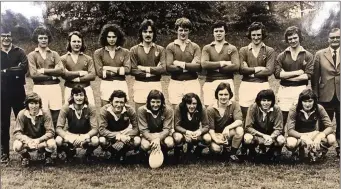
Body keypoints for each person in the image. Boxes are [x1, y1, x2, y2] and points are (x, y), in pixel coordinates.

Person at [274, 26, 314, 126]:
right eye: (290, 39)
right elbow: (278, 74)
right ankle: (281, 140)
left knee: (299, 118)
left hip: (300, 89)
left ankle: (296, 140)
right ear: (287, 40)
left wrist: (286, 75)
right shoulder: (282, 55)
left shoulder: (307, 55)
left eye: (295, 38)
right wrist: (298, 72)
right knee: (282, 118)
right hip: (284, 90)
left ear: (299, 37)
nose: (293, 41)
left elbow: (308, 75)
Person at [27, 26, 64, 129]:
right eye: (41, 38)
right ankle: (44, 139)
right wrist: (53, 76)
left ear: (49, 39)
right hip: (40, 88)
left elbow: (61, 70)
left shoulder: (54, 54)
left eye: (45, 38)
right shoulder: (32, 55)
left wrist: (43, 71)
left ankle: (56, 140)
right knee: (41, 113)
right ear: (37, 39)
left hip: (54, 88)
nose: (43, 40)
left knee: (56, 113)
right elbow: (34, 74)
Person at [1, 27, 28, 164]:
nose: (6, 38)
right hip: (2, 92)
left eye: (8, 35)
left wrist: (5, 70)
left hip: (18, 91)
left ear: (12, 37)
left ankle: (24, 153)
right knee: (4, 124)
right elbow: (18, 70)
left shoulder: (19, 51)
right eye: (3, 35)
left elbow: (24, 68)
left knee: (22, 121)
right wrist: (14, 71)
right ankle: (4, 153)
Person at [311, 28, 340, 158]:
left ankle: (340, 149)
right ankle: (322, 150)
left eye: (337, 37)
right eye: (332, 38)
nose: (335, 40)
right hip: (325, 95)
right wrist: (315, 95)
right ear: (328, 39)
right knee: (324, 125)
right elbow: (315, 78)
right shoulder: (320, 54)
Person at [286, 89, 336, 162]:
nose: (307, 104)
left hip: (313, 133)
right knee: (291, 143)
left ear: (314, 101)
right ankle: (297, 152)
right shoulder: (294, 109)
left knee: (331, 138)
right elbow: (290, 130)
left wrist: (319, 136)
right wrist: (304, 137)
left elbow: (330, 127)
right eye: (305, 101)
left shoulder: (319, 108)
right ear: (301, 101)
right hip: (299, 135)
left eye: (310, 101)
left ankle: (319, 150)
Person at [239, 22, 276, 119]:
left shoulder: (269, 50)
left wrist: (250, 71)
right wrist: (258, 68)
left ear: (263, 35)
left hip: (262, 85)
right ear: (250, 35)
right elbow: (241, 70)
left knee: (263, 112)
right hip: (246, 85)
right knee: (246, 113)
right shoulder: (243, 50)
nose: (256, 37)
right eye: (253, 35)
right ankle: (246, 132)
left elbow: (269, 71)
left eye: (258, 35)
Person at [55, 85, 99, 162]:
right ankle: (69, 152)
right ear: (72, 96)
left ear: (85, 96)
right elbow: (58, 128)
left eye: (81, 95)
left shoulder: (90, 107)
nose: (79, 98)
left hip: (86, 134)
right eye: (76, 95)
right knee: (58, 140)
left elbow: (95, 128)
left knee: (95, 140)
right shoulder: (66, 107)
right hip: (71, 133)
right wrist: (68, 138)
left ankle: (89, 153)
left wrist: (84, 137)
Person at [130, 19, 166, 112]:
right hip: (140, 84)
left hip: (156, 84)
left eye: (150, 32)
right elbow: (133, 70)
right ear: (141, 33)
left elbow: (163, 69)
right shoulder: (134, 50)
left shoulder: (160, 49)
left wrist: (143, 68)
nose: (148, 34)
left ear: (154, 33)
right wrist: (153, 71)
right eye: (145, 31)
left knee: (156, 111)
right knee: (140, 112)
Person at [166, 17, 202, 109]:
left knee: (193, 109)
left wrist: (178, 63)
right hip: (175, 83)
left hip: (192, 82)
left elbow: (198, 67)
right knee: (176, 110)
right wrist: (190, 66)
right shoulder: (170, 47)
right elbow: (169, 67)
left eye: (186, 30)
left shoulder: (195, 47)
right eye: (180, 30)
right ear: (176, 31)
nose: (183, 33)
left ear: (189, 31)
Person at [201, 21, 240, 106]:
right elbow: (204, 64)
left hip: (227, 80)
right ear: (213, 33)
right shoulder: (207, 48)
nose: (218, 33)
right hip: (210, 81)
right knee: (210, 108)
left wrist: (213, 67)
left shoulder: (232, 48)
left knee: (228, 108)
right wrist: (223, 63)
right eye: (216, 31)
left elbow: (236, 66)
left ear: (225, 32)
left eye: (221, 31)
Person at [13, 92, 56, 166]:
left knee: (52, 143)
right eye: (31, 103)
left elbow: (51, 132)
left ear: (40, 104)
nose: (34, 106)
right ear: (27, 104)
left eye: (36, 103)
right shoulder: (22, 114)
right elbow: (17, 132)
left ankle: (47, 156)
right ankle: (25, 156)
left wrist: (39, 140)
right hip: (28, 141)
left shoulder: (45, 113)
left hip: (41, 141)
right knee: (17, 145)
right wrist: (28, 140)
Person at [93, 23, 130, 106]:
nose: (111, 39)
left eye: (114, 37)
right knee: (106, 110)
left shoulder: (125, 52)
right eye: (109, 37)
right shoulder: (98, 53)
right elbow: (99, 73)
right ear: (105, 38)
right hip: (106, 84)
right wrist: (119, 70)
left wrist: (107, 68)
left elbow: (127, 70)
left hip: (121, 83)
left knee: (122, 110)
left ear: (118, 37)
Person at [98, 90, 141, 162]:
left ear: (125, 103)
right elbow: (102, 130)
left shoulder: (129, 110)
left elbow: (136, 128)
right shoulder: (104, 110)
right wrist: (118, 136)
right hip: (110, 133)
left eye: (121, 102)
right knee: (102, 140)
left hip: (125, 133)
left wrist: (127, 136)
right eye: (116, 102)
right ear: (111, 102)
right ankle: (113, 152)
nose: (119, 105)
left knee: (137, 140)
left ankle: (123, 152)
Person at [244, 89, 285, 161]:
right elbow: (248, 127)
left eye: (269, 100)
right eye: (263, 100)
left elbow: (279, 128)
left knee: (281, 139)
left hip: (271, 135)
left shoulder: (277, 109)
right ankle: (252, 152)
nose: (266, 103)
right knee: (247, 138)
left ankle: (273, 153)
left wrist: (271, 137)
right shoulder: (253, 107)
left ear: (272, 101)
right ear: (259, 101)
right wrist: (262, 135)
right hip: (257, 135)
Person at [206, 82, 244, 162]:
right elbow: (211, 129)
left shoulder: (234, 104)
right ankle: (221, 149)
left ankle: (232, 153)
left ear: (230, 95)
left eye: (226, 94)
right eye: (221, 94)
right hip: (216, 134)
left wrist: (227, 128)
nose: (223, 97)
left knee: (240, 130)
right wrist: (216, 140)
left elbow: (239, 121)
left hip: (228, 133)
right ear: (217, 95)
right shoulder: (211, 108)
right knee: (216, 149)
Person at [138, 90, 175, 162]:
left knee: (170, 143)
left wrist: (158, 139)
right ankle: (143, 154)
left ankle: (164, 153)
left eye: (158, 102)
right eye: (153, 102)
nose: (155, 105)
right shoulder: (141, 110)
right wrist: (154, 139)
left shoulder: (168, 110)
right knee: (145, 146)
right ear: (148, 102)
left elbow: (167, 129)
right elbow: (144, 130)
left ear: (162, 102)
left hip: (162, 134)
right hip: (149, 134)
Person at [172, 93, 211, 161]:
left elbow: (206, 126)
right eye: (189, 103)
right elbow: (176, 126)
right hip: (181, 132)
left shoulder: (202, 108)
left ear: (197, 103)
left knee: (207, 138)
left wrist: (199, 132)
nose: (192, 106)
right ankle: (178, 152)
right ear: (185, 103)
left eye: (194, 103)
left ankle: (197, 152)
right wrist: (186, 132)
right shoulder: (179, 107)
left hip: (195, 132)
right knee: (177, 138)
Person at [60, 31, 96, 105]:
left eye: (79, 41)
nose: (77, 44)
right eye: (74, 41)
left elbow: (92, 75)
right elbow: (64, 74)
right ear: (69, 42)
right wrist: (80, 73)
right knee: (70, 112)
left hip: (86, 89)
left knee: (88, 111)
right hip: (70, 89)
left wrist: (77, 79)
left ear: (82, 43)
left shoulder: (88, 58)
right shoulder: (63, 58)